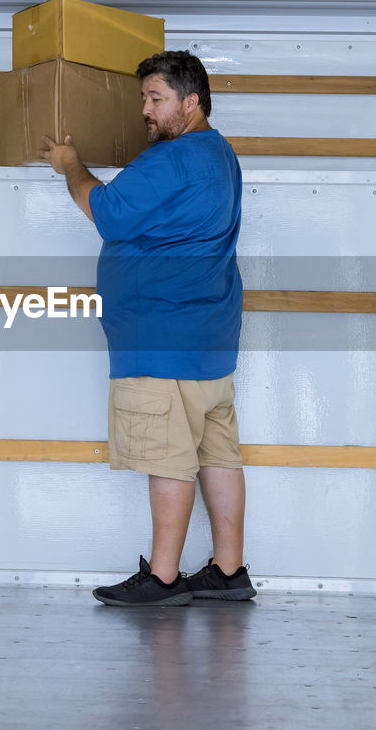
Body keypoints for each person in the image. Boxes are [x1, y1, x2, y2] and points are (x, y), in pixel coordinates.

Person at [38, 50, 256, 606]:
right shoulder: (221, 154)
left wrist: (69, 163)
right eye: (143, 99)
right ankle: (228, 570)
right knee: (217, 456)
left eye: (156, 99)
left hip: (161, 342)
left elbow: (106, 210)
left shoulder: (173, 160)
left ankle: (162, 578)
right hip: (209, 344)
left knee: (168, 458)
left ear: (192, 101)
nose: (145, 111)